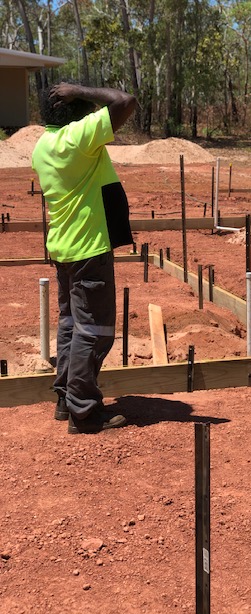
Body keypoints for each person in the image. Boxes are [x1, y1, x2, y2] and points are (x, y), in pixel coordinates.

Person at [32, 83, 136, 434]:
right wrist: (78, 89)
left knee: (70, 325)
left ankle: (65, 398)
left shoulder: (42, 146)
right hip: (89, 248)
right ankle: (84, 411)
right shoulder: (77, 138)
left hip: (63, 248)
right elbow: (125, 101)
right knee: (93, 330)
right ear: (75, 109)